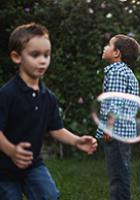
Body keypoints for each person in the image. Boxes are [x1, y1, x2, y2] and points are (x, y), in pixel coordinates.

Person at [0, 22, 98, 199]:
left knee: (50, 196)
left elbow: (56, 129)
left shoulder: (48, 97)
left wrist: (77, 141)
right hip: (4, 169)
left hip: (33, 165)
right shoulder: (7, 94)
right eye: (35, 55)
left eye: (47, 55)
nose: (43, 60)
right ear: (16, 57)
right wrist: (11, 150)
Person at [95, 34, 140, 200]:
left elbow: (115, 101)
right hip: (123, 132)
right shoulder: (124, 72)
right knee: (120, 170)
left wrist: (109, 126)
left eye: (109, 45)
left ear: (116, 53)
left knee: (118, 174)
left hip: (116, 131)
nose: (105, 47)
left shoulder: (117, 72)